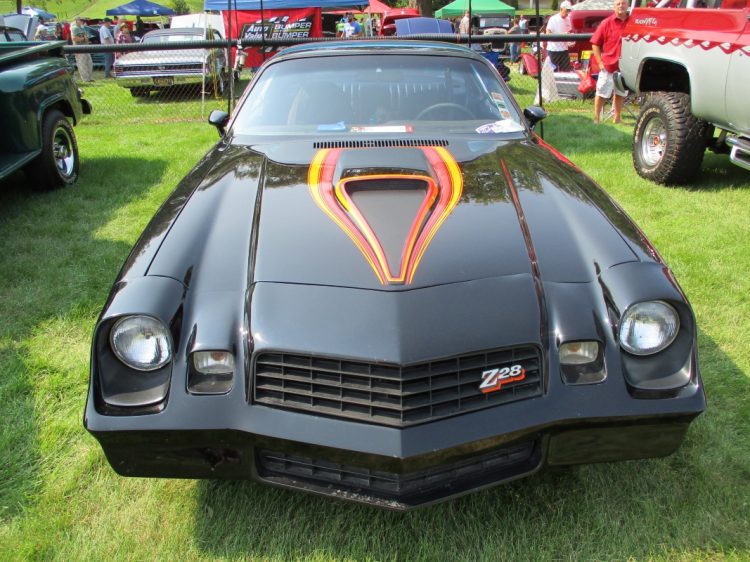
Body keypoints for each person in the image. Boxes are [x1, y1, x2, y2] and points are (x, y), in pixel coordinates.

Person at [591, 0, 630, 124]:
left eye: (623, 3)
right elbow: (595, 43)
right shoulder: (606, 23)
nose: (621, 6)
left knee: (620, 93)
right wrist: (600, 62)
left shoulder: (633, 22)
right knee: (601, 93)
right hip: (608, 65)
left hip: (625, 66)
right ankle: (596, 119)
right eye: (618, 4)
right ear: (614, 7)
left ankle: (617, 118)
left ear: (628, 5)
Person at [544, 0, 573, 72]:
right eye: (566, 10)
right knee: (552, 72)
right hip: (553, 50)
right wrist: (562, 35)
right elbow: (548, 34)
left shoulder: (568, 20)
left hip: (564, 50)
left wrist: (570, 41)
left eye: (569, 10)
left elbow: (569, 33)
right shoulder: (553, 19)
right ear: (561, 9)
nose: (568, 13)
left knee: (566, 72)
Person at [71, 16, 93, 82]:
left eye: (82, 20)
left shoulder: (82, 28)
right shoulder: (74, 28)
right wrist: (83, 38)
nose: (82, 21)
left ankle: (89, 78)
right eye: (80, 20)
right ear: (76, 20)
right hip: (79, 49)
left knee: (89, 63)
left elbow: (87, 38)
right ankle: (85, 79)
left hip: (86, 47)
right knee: (82, 64)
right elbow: (75, 39)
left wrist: (84, 38)